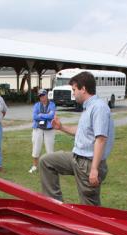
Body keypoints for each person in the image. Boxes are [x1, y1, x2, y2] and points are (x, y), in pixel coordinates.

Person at [39, 71, 114, 206]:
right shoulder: (88, 107)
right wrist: (61, 127)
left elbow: (101, 139)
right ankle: (56, 207)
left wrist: (94, 169)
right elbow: (81, 132)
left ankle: (96, 226)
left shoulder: (99, 108)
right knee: (46, 162)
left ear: (83, 89)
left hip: (89, 164)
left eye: (74, 89)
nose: (73, 93)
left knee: (90, 210)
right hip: (78, 158)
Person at [29, 89, 56, 173]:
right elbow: (35, 117)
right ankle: (34, 166)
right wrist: (46, 116)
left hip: (49, 129)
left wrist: (41, 115)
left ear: (47, 95)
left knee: (50, 148)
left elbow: (52, 115)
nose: (42, 97)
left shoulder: (52, 104)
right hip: (38, 128)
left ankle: (50, 167)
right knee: (36, 147)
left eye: (43, 95)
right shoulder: (37, 105)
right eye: (40, 96)